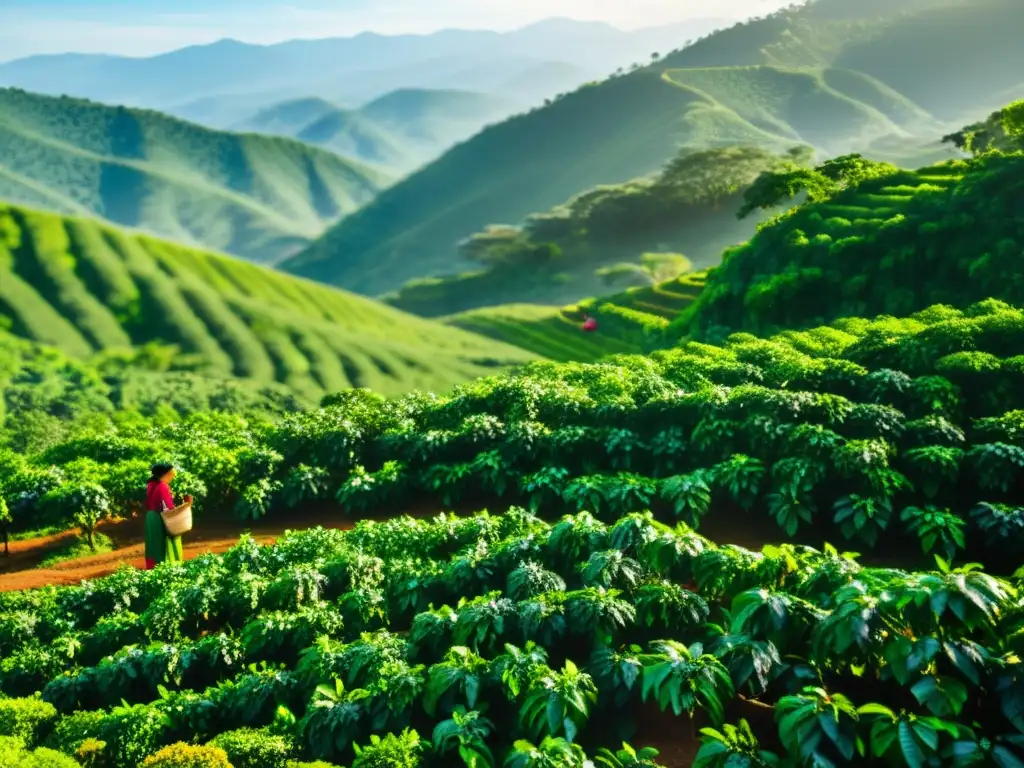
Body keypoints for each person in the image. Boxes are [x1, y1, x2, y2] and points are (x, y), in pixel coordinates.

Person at [144, 463, 191, 570]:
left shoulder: (151, 484)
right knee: (166, 542)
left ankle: (153, 567)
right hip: (160, 518)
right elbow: (168, 509)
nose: (172, 478)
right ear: (165, 474)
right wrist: (185, 505)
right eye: (171, 475)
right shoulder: (163, 486)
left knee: (153, 544)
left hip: (151, 517)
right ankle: (169, 567)